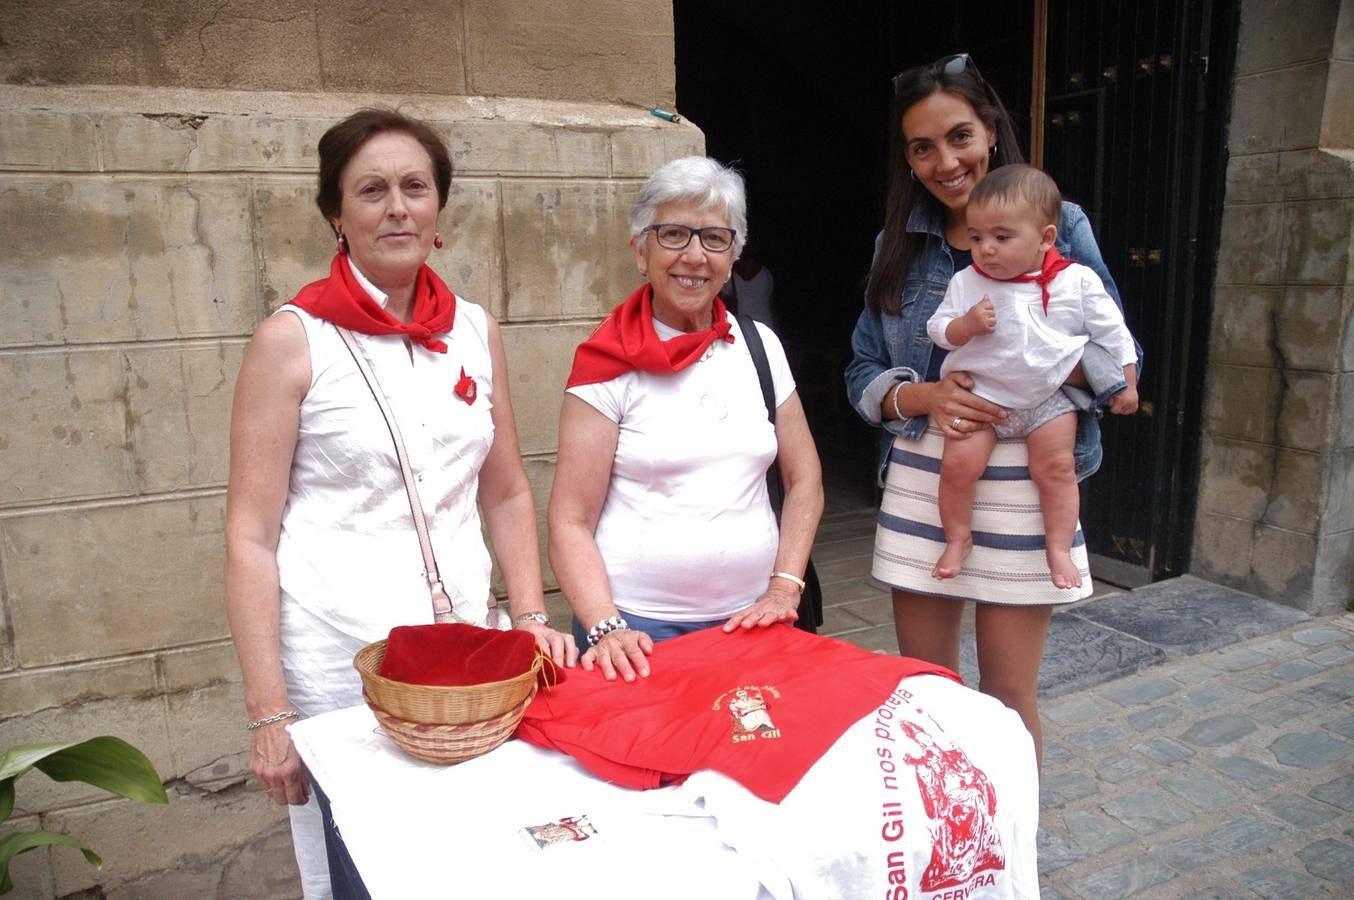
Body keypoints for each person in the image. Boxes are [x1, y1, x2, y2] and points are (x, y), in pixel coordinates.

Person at [224, 108, 578, 898]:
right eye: (371, 190)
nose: (397, 208)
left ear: (438, 205)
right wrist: (268, 712)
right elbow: (249, 535)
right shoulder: (293, 339)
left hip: (466, 658)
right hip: (341, 662)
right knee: (367, 870)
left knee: (470, 863)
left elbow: (506, 489)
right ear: (335, 213)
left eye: (415, 187)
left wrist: (529, 616)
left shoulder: (475, 330)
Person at [844, 54, 1139, 765]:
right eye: (923, 147)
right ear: (909, 161)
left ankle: (1009, 833)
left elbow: (1115, 347)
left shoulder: (1061, 222)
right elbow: (862, 369)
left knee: (1008, 698)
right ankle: (943, 827)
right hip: (928, 475)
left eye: (959, 136)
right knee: (928, 693)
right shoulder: (896, 243)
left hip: (1029, 483)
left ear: (992, 132)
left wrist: (1037, 364)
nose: (946, 162)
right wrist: (923, 394)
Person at [547, 156, 823, 683]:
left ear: (733, 257)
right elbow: (569, 519)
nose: (694, 256)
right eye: (673, 234)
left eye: (715, 239)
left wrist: (785, 586)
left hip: (755, 620)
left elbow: (804, 477)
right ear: (640, 250)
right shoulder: (606, 363)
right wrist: (607, 627)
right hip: (637, 634)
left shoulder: (760, 347)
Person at [926, 165, 1138, 589]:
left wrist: (1128, 383)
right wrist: (965, 326)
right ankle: (958, 538)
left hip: (1050, 399)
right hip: (983, 397)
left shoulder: (1076, 281)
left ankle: (1058, 548)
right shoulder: (967, 282)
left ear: (1045, 238)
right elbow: (939, 330)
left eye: (1002, 237)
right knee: (957, 468)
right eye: (976, 238)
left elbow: (1114, 334)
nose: (985, 249)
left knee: (1057, 468)